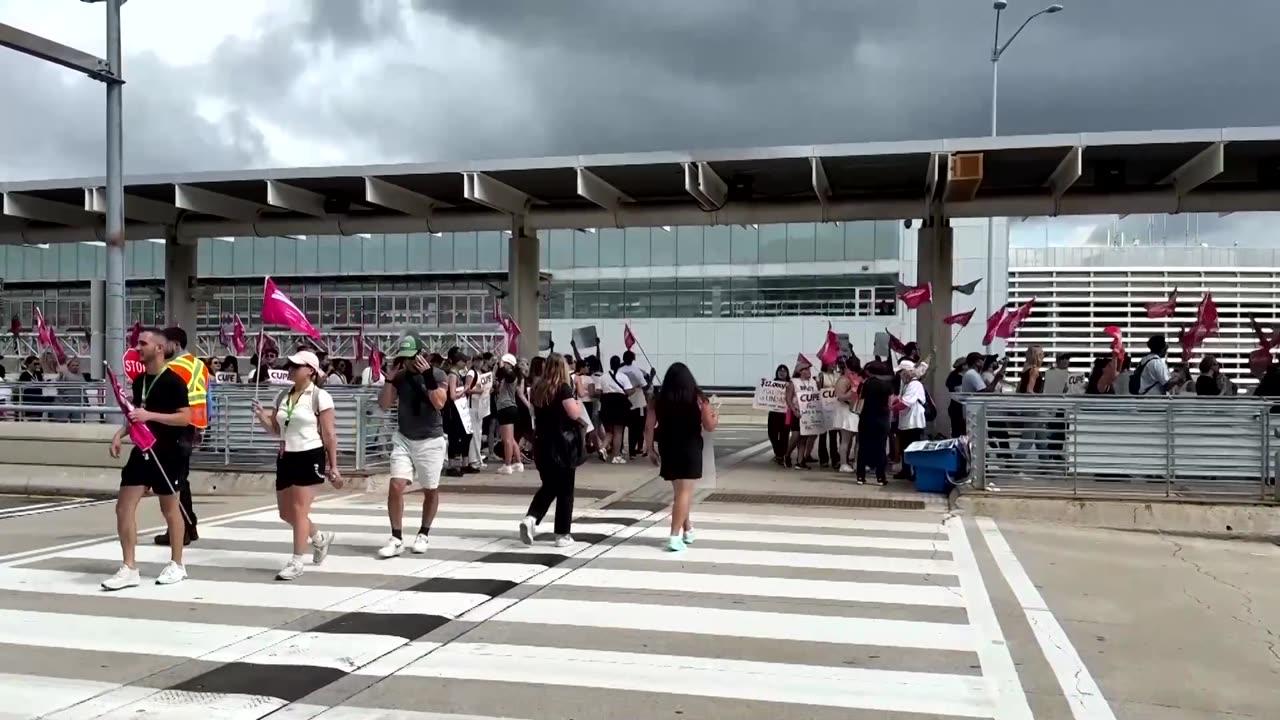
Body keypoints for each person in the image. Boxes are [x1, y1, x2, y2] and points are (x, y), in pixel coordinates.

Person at [103, 328, 192, 590]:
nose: (138, 348)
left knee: (169, 509)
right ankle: (129, 567)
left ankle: (177, 564)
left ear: (159, 349)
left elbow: (185, 417)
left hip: (168, 452)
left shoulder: (174, 381)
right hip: (141, 451)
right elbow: (135, 414)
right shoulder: (140, 380)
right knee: (124, 506)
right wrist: (120, 433)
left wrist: (150, 416)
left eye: (143, 343)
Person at [251, 350, 340, 580]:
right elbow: (277, 431)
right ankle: (319, 538)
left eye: (296, 366)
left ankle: (296, 561)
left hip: (310, 454)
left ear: (310, 370)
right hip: (285, 455)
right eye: (289, 365)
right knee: (285, 513)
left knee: (300, 510)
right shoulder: (282, 396)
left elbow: (329, 433)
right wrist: (262, 417)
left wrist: (334, 465)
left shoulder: (320, 396)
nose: (290, 368)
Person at [376, 333, 449, 558]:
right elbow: (385, 405)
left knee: (430, 489)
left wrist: (427, 376)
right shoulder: (400, 377)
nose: (408, 362)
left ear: (421, 354)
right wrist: (389, 379)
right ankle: (396, 537)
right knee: (396, 485)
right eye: (404, 358)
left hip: (431, 439)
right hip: (404, 438)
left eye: (412, 356)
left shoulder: (437, 374)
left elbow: (439, 403)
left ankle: (423, 533)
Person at [646, 362, 718, 552]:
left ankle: (688, 530)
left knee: (680, 493)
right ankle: (674, 535)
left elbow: (649, 425)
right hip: (690, 445)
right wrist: (715, 416)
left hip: (667, 446)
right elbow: (709, 425)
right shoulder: (698, 398)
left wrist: (650, 449)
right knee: (684, 494)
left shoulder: (658, 399)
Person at [519, 353, 584, 548]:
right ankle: (562, 534)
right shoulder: (563, 389)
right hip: (562, 445)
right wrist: (578, 402)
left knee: (549, 485)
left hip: (542, 443)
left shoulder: (538, 388)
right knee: (565, 490)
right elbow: (573, 413)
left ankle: (531, 518)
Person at [155, 327, 209, 547]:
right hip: (193, 426)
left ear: (175, 344)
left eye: (163, 344)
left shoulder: (173, 367)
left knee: (173, 481)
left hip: (176, 427)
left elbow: (164, 399)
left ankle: (181, 529)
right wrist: (202, 428)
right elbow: (206, 396)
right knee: (181, 478)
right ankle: (189, 526)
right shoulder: (200, 365)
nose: (160, 348)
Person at [856, 360, 893, 485]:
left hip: (866, 417)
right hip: (882, 419)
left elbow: (860, 399)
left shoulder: (867, 383)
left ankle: (860, 476)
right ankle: (880, 477)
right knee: (881, 448)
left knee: (863, 446)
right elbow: (890, 404)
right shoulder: (888, 385)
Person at [894, 359, 927, 481]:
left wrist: (890, 409)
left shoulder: (914, 385)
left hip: (914, 422)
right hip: (906, 421)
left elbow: (905, 403)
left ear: (906, 372)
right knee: (905, 448)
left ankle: (916, 472)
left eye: (901, 372)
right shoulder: (907, 385)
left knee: (914, 448)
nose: (899, 375)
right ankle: (906, 470)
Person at [494, 353, 525, 475]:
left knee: (506, 439)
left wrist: (501, 366)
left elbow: (508, 375)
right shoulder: (508, 377)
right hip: (507, 408)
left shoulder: (512, 375)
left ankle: (507, 465)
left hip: (506, 408)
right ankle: (518, 463)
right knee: (511, 439)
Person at [599, 355, 633, 463]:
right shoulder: (623, 377)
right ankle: (616, 456)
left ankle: (602, 447)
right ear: (619, 364)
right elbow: (628, 391)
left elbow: (599, 391)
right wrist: (634, 390)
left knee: (609, 430)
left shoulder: (603, 377)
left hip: (606, 403)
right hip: (619, 404)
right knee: (618, 431)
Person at [832, 358, 861, 473]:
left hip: (856, 410)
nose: (853, 372)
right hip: (845, 411)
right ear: (846, 368)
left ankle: (857, 462)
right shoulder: (842, 380)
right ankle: (843, 463)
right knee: (845, 440)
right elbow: (840, 397)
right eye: (851, 370)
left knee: (859, 439)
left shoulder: (856, 378)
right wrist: (852, 392)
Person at [619, 351, 649, 458]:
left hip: (624, 402)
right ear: (633, 359)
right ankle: (635, 449)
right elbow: (645, 386)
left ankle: (626, 450)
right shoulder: (637, 371)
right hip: (638, 402)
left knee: (627, 428)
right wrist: (651, 377)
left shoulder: (619, 371)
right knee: (638, 427)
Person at [766, 364, 791, 465]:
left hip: (786, 413)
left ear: (787, 373)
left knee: (784, 434)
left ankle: (782, 455)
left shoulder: (790, 384)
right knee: (772, 434)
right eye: (780, 371)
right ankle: (778, 453)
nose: (782, 372)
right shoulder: (772, 384)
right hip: (774, 413)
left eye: (784, 371)